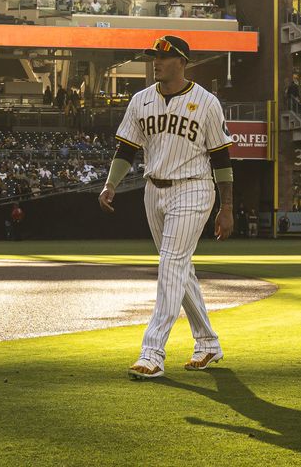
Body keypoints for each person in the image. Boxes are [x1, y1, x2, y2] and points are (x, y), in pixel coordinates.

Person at [98, 35, 233, 380]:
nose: (155, 63)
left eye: (163, 57)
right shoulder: (141, 100)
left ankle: (152, 352)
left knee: (170, 264)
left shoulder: (206, 102)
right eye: (153, 57)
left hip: (194, 189)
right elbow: (126, 150)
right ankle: (208, 342)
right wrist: (111, 183)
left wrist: (227, 205)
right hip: (153, 190)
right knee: (179, 270)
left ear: (182, 62)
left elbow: (221, 158)